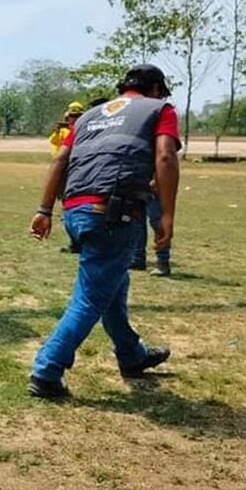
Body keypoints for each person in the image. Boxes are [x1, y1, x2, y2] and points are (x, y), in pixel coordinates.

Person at [27, 64, 181, 399]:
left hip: (75, 209)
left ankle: (131, 354)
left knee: (112, 282)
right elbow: (166, 157)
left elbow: (59, 162)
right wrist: (166, 214)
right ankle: (46, 370)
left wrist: (44, 210)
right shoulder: (160, 109)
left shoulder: (88, 117)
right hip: (113, 212)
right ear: (156, 89)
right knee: (91, 296)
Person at [49, 101, 86, 254]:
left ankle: (81, 241)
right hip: (62, 172)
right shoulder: (64, 132)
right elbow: (54, 143)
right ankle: (74, 243)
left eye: (77, 116)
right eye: (72, 116)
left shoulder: (85, 130)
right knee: (67, 205)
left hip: (77, 170)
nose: (74, 119)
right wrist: (58, 131)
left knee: (78, 206)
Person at [129, 180, 172, 276]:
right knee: (137, 221)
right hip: (138, 184)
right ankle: (137, 258)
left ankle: (163, 262)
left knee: (157, 222)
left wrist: (156, 180)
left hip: (153, 185)